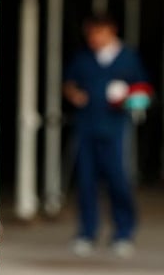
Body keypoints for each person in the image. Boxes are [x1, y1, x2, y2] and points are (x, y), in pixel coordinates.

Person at [62, 14, 153, 258]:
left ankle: (123, 233)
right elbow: (69, 83)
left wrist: (128, 98)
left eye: (97, 33)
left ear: (110, 30)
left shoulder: (128, 57)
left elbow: (145, 90)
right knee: (86, 181)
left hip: (117, 129)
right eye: (89, 34)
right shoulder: (83, 58)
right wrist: (74, 95)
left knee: (119, 179)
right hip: (87, 126)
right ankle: (87, 233)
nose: (93, 39)